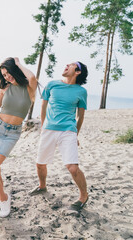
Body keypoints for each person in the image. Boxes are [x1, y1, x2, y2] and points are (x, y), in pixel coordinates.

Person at [0, 57, 37, 218]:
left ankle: (4, 198)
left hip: (12, 134)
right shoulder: (5, 89)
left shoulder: (29, 88)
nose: (7, 77)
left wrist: (18, 63)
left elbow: (31, 77)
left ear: (15, 69)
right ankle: (1, 199)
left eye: (8, 72)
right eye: (4, 75)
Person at [29, 61, 89, 211]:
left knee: (73, 167)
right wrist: (43, 126)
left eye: (72, 64)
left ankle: (83, 196)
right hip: (48, 129)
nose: (67, 64)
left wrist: (75, 134)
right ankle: (42, 186)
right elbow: (43, 105)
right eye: (67, 63)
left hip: (68, 130)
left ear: (78, 72)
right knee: (40, 164)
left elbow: (80, 116)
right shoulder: (52, 85)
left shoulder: (81, 91)